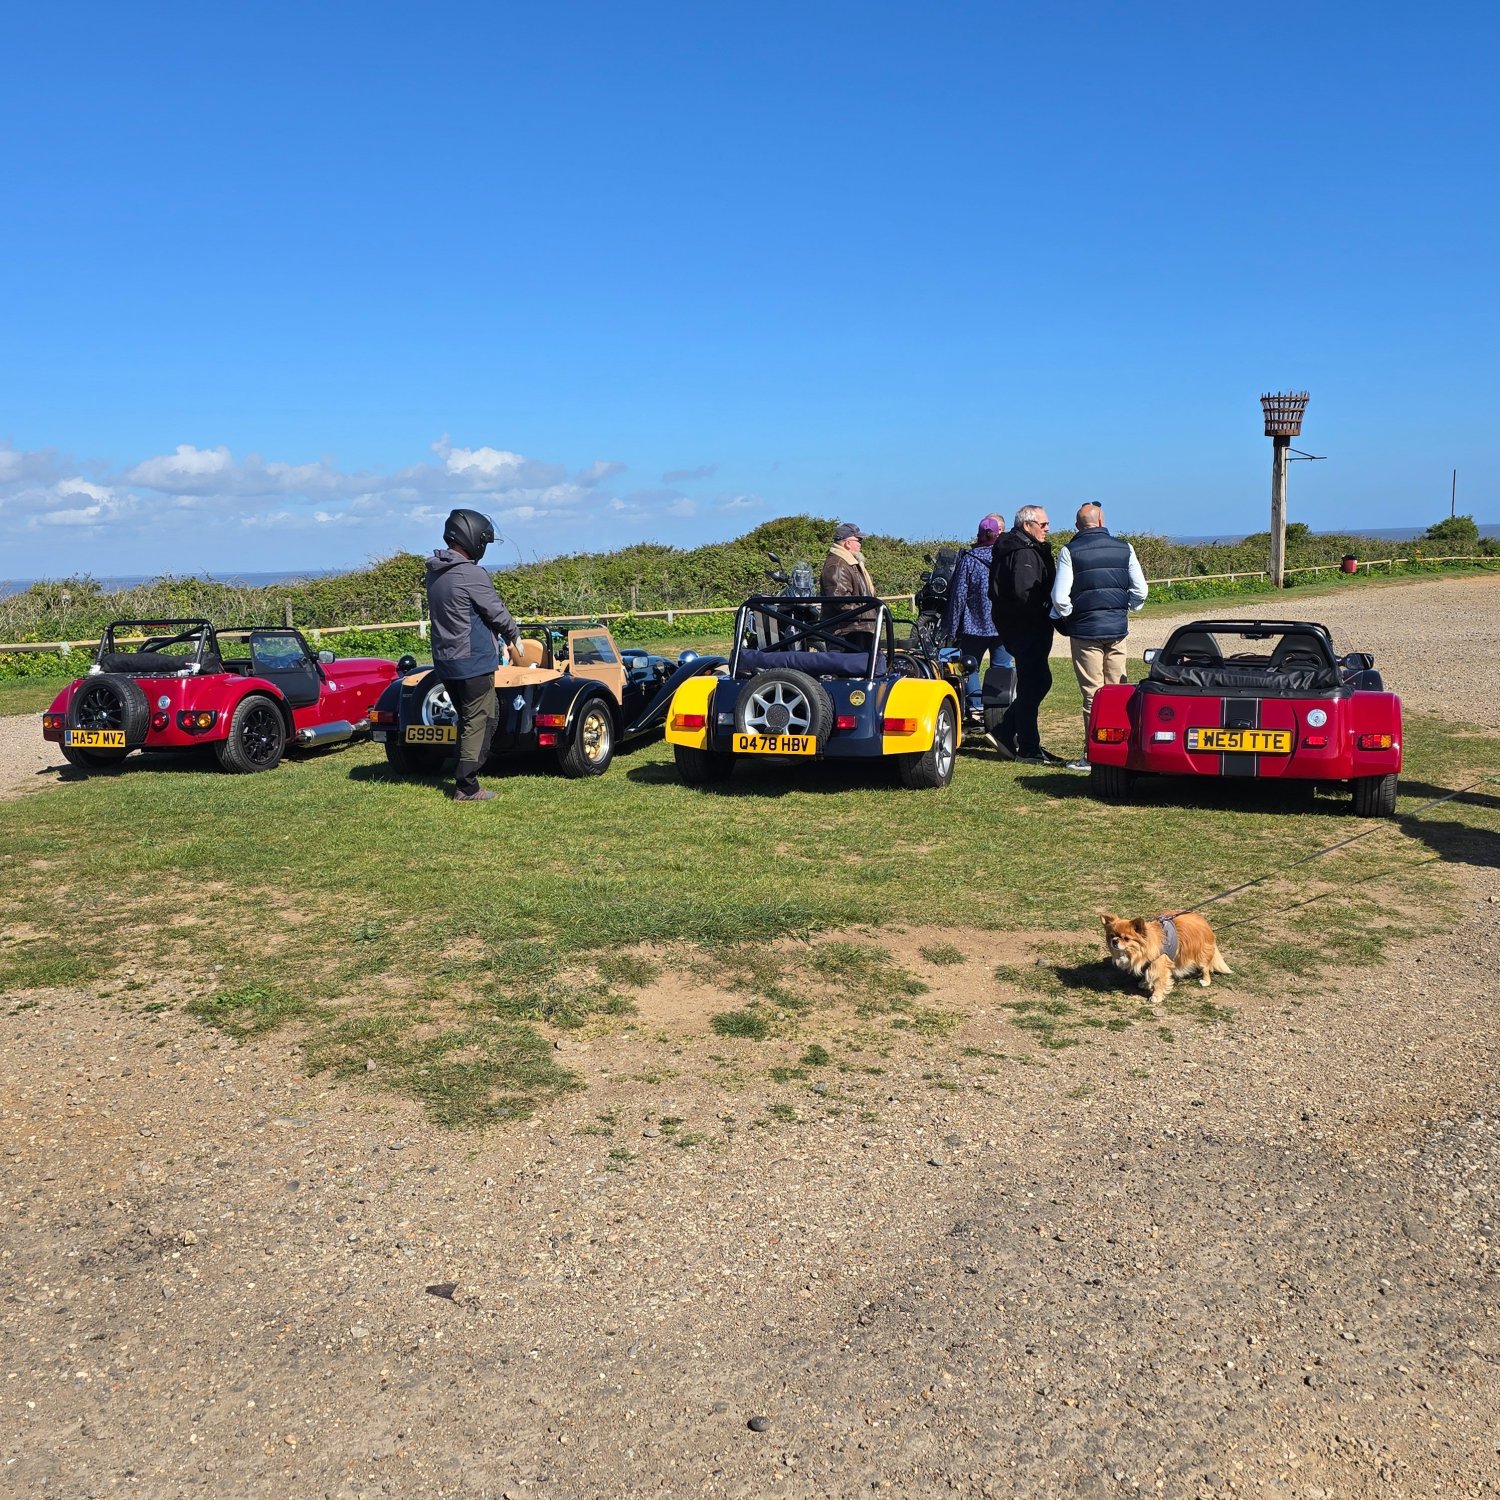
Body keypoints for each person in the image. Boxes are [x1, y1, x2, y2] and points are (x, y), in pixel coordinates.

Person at [426, 507, 524, 802]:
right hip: (472, 660)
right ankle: (466, 785)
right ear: (472, 539)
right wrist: (514, 635)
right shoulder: (470, 573)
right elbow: (494, 611)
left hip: (446, 660)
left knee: (471, 718)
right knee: (480, 719)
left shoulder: (435, 571)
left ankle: (464, 771)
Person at [1050, 502, 1149, 770]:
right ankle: (1122, 750)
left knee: (1093, 694)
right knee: (1118, 689)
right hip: (1116, 629)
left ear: (1077, 526)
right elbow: (1141, 590)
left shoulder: (1069, 551)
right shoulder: (1125, 548)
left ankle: (1093, 754)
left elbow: (1060, 597)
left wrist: (1070, 615)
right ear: (1102, 521)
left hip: (1085, 632)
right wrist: (1128, 608)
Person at [986, 504, 1063, 764]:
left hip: (1020, 627)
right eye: (1043, 524)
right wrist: (1046, 611)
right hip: (1027, 628)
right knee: (1034, 683)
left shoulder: (1018, 547)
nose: (1047, 529)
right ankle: (1027, 746)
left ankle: (1007, 731)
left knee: (1038, 681)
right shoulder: (1023, 553)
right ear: (1027, 525)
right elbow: (1025, 593)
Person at [939, 513, 1014, 724]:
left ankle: (976, 707)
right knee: (1002, 667)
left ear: (979, 535)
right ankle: (1000, 712)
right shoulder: (1008, 557)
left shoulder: (969, 560)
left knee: (968, 666)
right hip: (1003, 624)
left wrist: (951, 628)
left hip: (974, 625)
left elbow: (958, 596)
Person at [820, 521, 879, 652]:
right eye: (858, 540)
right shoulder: (837, 565)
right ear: (847, 543)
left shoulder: (849, 563)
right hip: (846, 633)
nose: (860, 544)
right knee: (850, 665)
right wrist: (866, 613)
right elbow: (841, 600)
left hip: (856, 629)